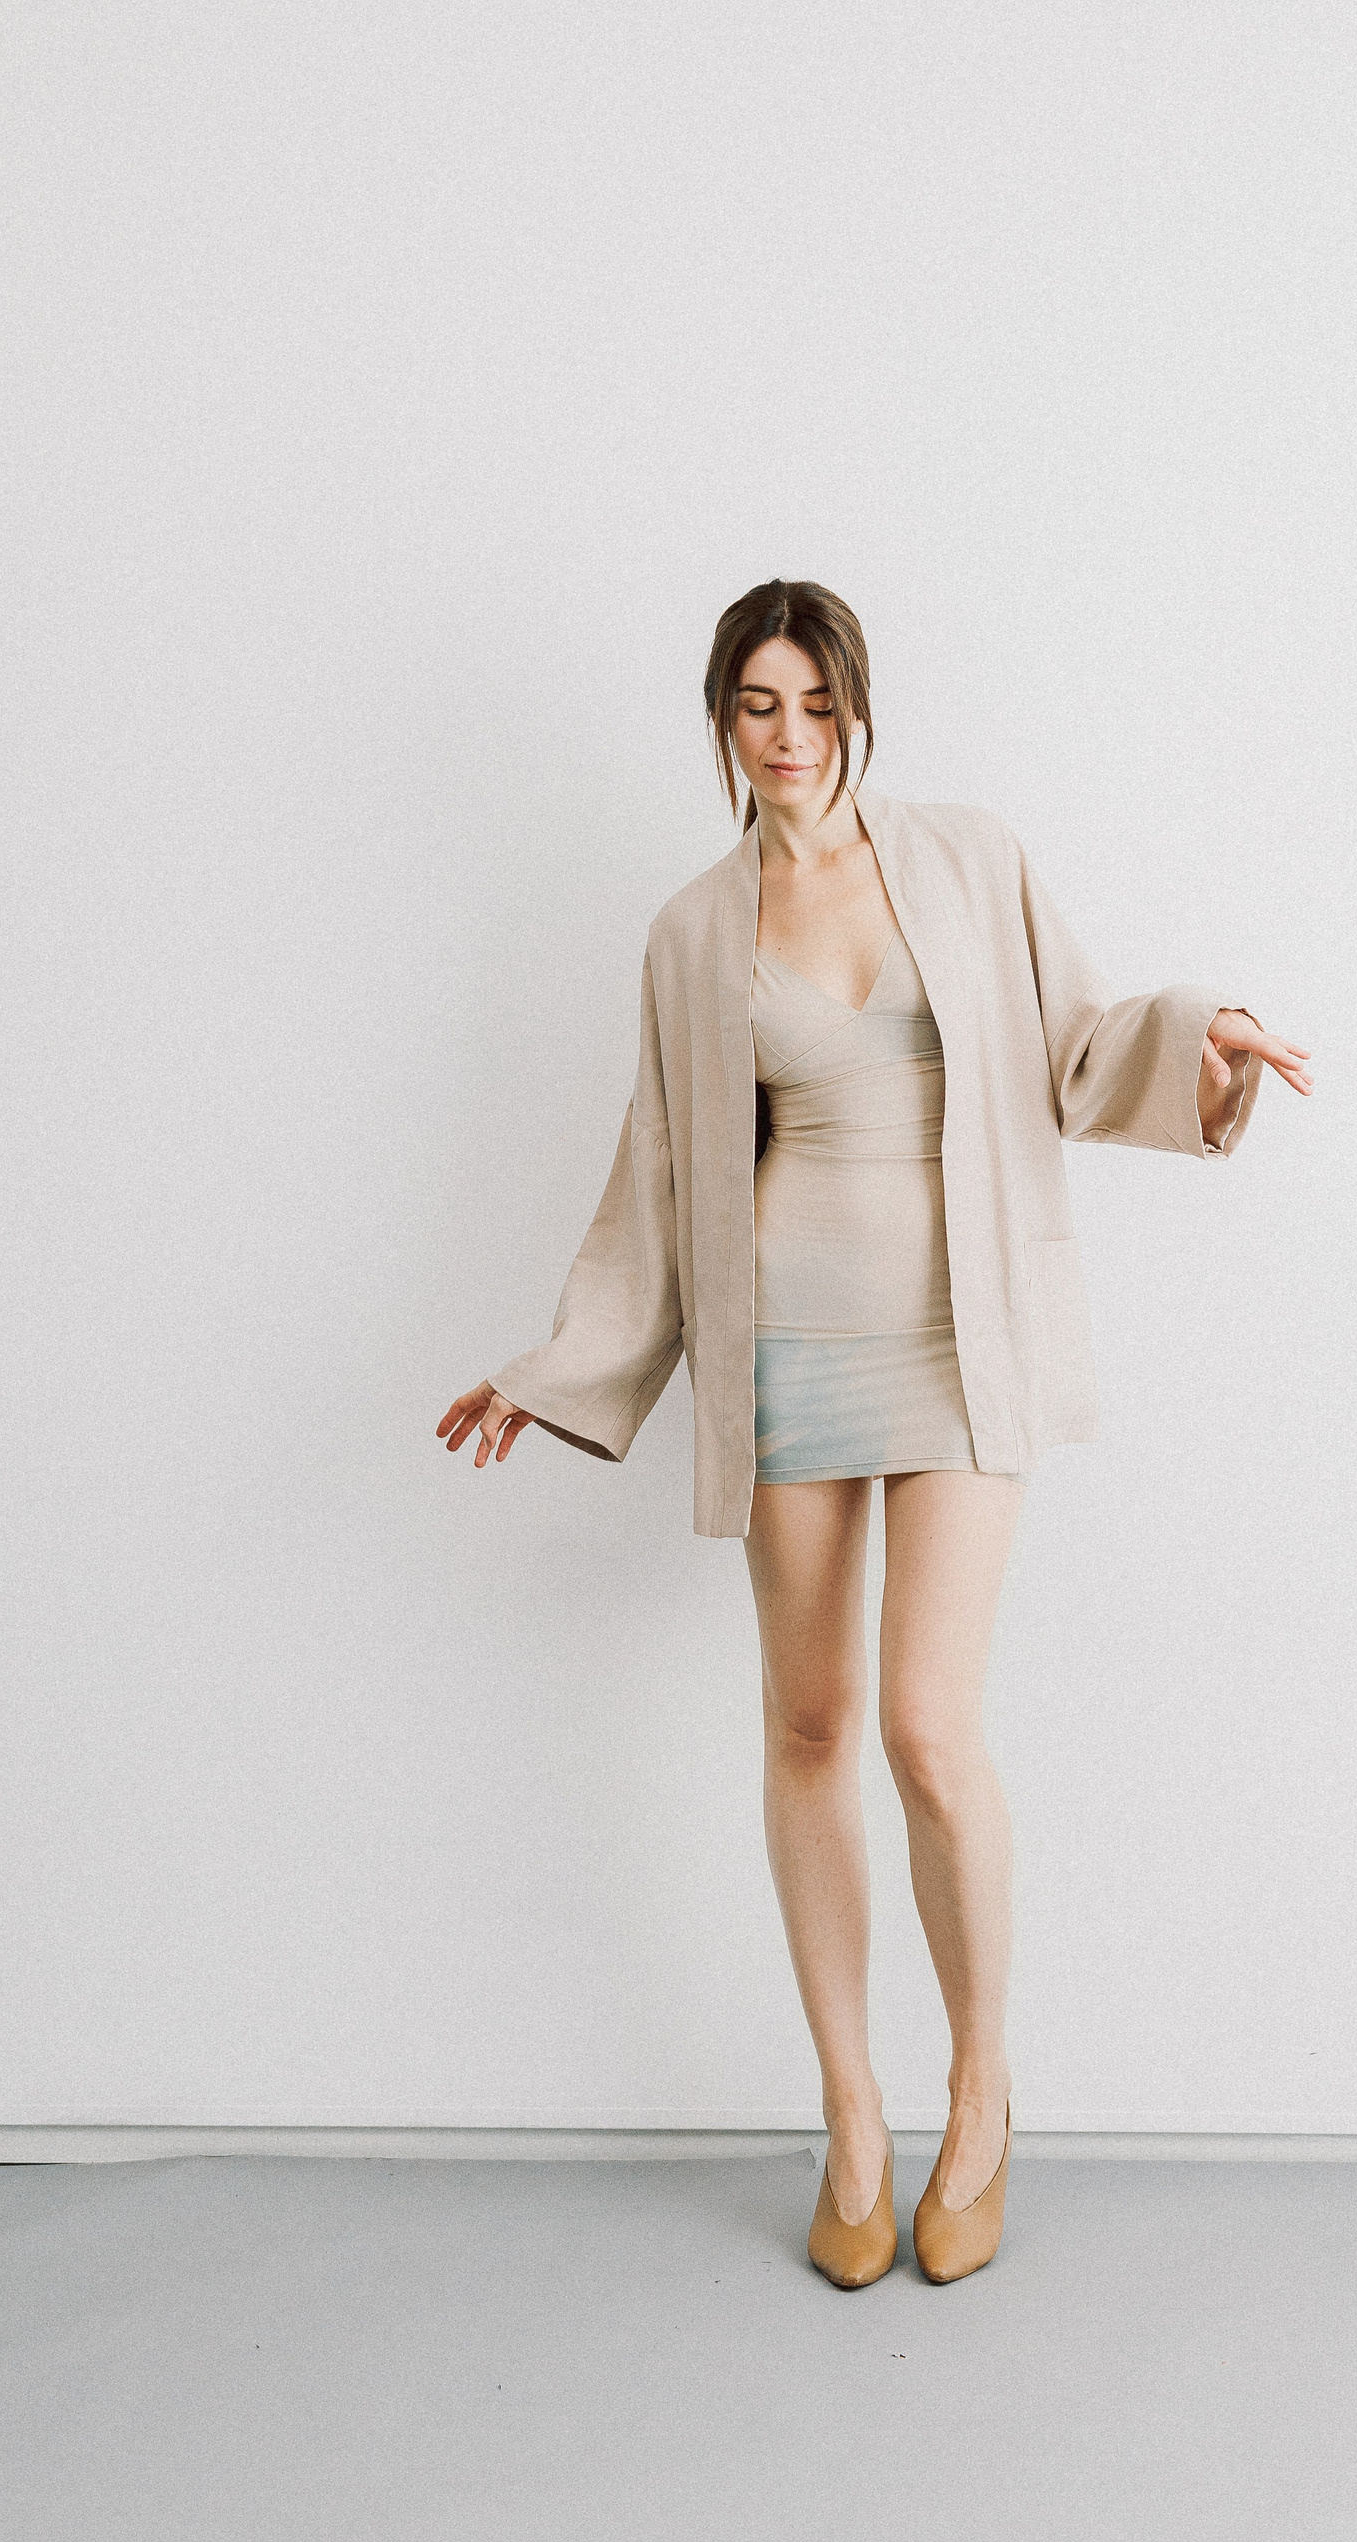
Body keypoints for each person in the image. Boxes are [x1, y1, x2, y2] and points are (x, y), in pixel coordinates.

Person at [438, 579, 1312, 2288]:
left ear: (857, 709)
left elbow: (1079, 1046)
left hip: (962, 1347)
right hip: (789, 1355)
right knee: (813, 1726)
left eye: (816, 703)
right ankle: (851, 2112)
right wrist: (559, 1367)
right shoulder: (694, 932)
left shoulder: (968, 859)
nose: (790, 736)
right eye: (758, 705)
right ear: (723, 719)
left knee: (926, 1725)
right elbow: (663, 1172)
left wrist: (1199, 1035)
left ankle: (982, 2090)